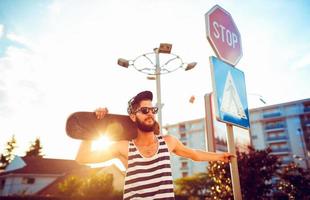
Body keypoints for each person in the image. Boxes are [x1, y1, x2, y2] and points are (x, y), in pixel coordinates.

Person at [76, 90, 234, 200]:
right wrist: (92, 126)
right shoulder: (124, 147)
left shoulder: (168, 142)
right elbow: (83, 158)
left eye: (152, 109)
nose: (150, 113)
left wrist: (221, 156)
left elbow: (194, 154)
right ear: (132, 116)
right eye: (144, 110)